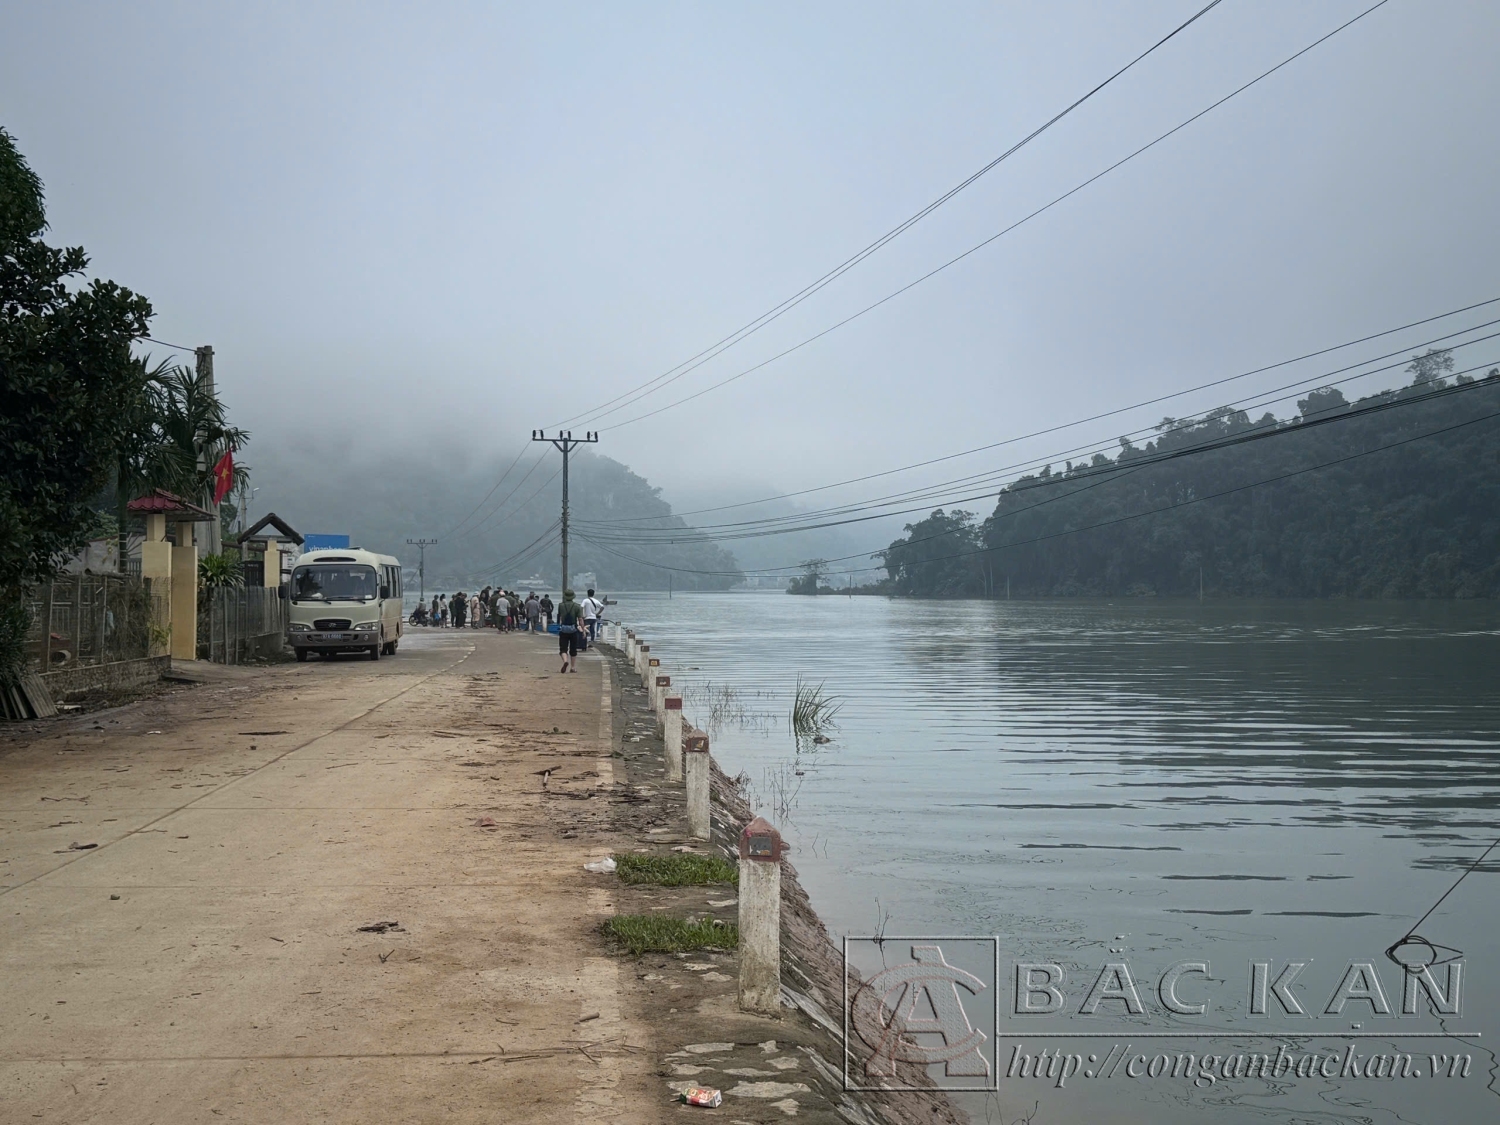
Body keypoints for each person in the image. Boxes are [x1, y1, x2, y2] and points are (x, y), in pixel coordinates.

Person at [556, 589, 584, 673]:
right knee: (573, 649)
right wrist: (583, 630)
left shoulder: (561, 605)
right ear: (573, 597)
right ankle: (572, 667)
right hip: (573, 630)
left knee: (563, 648)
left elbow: (560, 617)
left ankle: (565, 661)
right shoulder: (577, 606)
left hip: (564, 629)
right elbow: (580, 619)